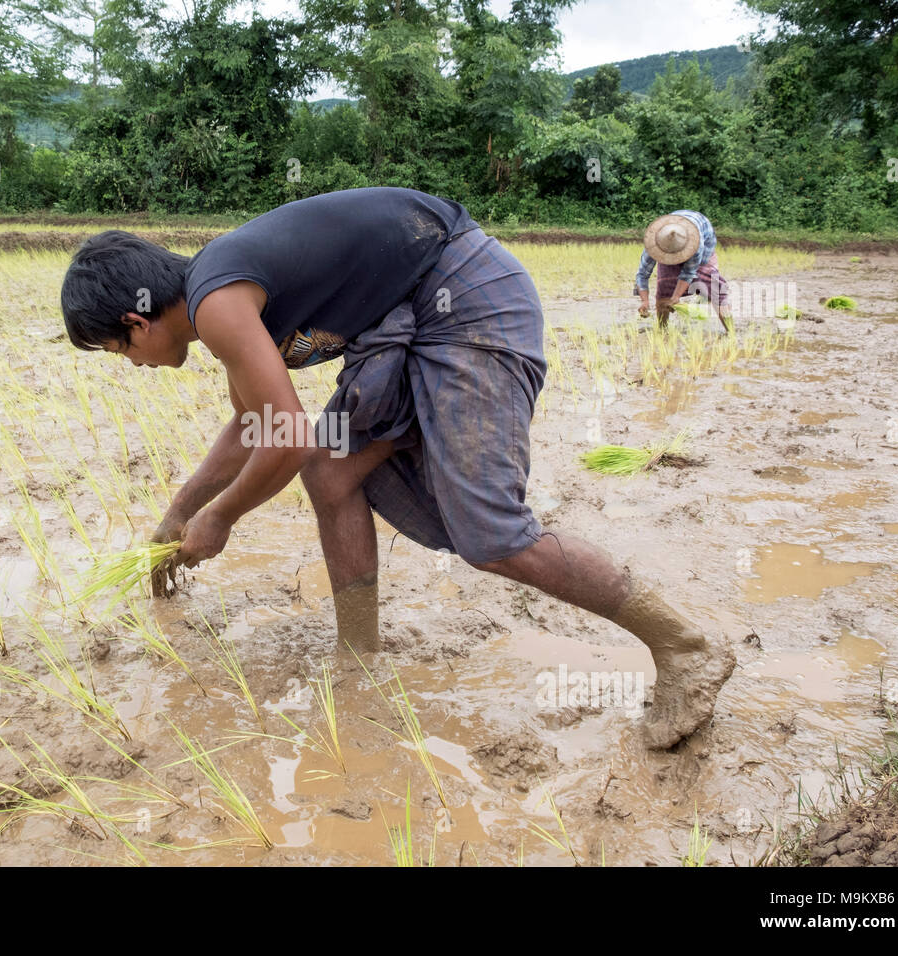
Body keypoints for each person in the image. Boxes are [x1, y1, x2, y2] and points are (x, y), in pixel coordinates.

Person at [60, 186, 736, 750]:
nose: (134, 363)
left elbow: (284, 434)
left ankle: (683, 647)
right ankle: (359, 656)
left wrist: (220, 518)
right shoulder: (221, 298)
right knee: (331, 471)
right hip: (413, 319)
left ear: (137, 321)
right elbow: (251, 425)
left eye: (119, 350)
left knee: (490, 533)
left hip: (467, 301)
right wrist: (177, 516)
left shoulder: (217, 303)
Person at [635, 210, 734, 331]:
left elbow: (688, 273)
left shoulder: (696, 245)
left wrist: (676, 297)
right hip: (673, 238)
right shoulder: (654, 245)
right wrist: (644, 301)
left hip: (703, 241)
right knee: (664, 286)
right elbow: (642, 275)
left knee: (714, 287)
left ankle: (731, 331)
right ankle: (662, 330)